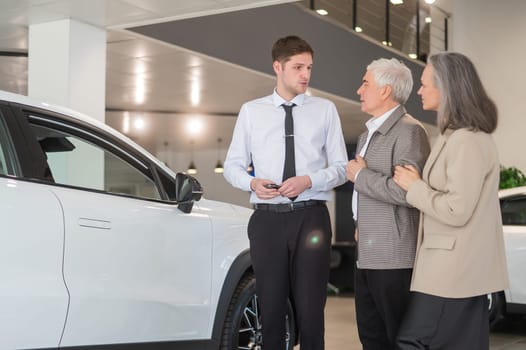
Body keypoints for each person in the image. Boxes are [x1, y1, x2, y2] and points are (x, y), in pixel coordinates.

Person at [223, 35, 348, 350]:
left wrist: (308, 180)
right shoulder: (252, 111)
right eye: (297, 67)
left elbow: (341, 167)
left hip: (312, 220)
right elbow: (232, 166)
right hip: (267, 222)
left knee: (311, 312)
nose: (305, 74)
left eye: (309, 67)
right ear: (277, 67)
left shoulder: (325, 110)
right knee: (271, 309)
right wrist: (252, 183)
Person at [393, 52, 509, 349]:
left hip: (452, 271)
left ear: (446, 88)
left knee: (412, 341)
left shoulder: (466, 140)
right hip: (454, 269)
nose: (419, 91)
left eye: (424, 84)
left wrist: (414, 187)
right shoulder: (454, 137)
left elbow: (457, 209)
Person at [346, 58, 430, 350]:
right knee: (371, 338)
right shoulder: (366, 134)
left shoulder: (410, 131)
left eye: (365, 83)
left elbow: (408, 192)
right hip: (367, 252)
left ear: (385, 90)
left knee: (398, 339)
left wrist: (361, 176)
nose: (359, 90)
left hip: (394, 256)